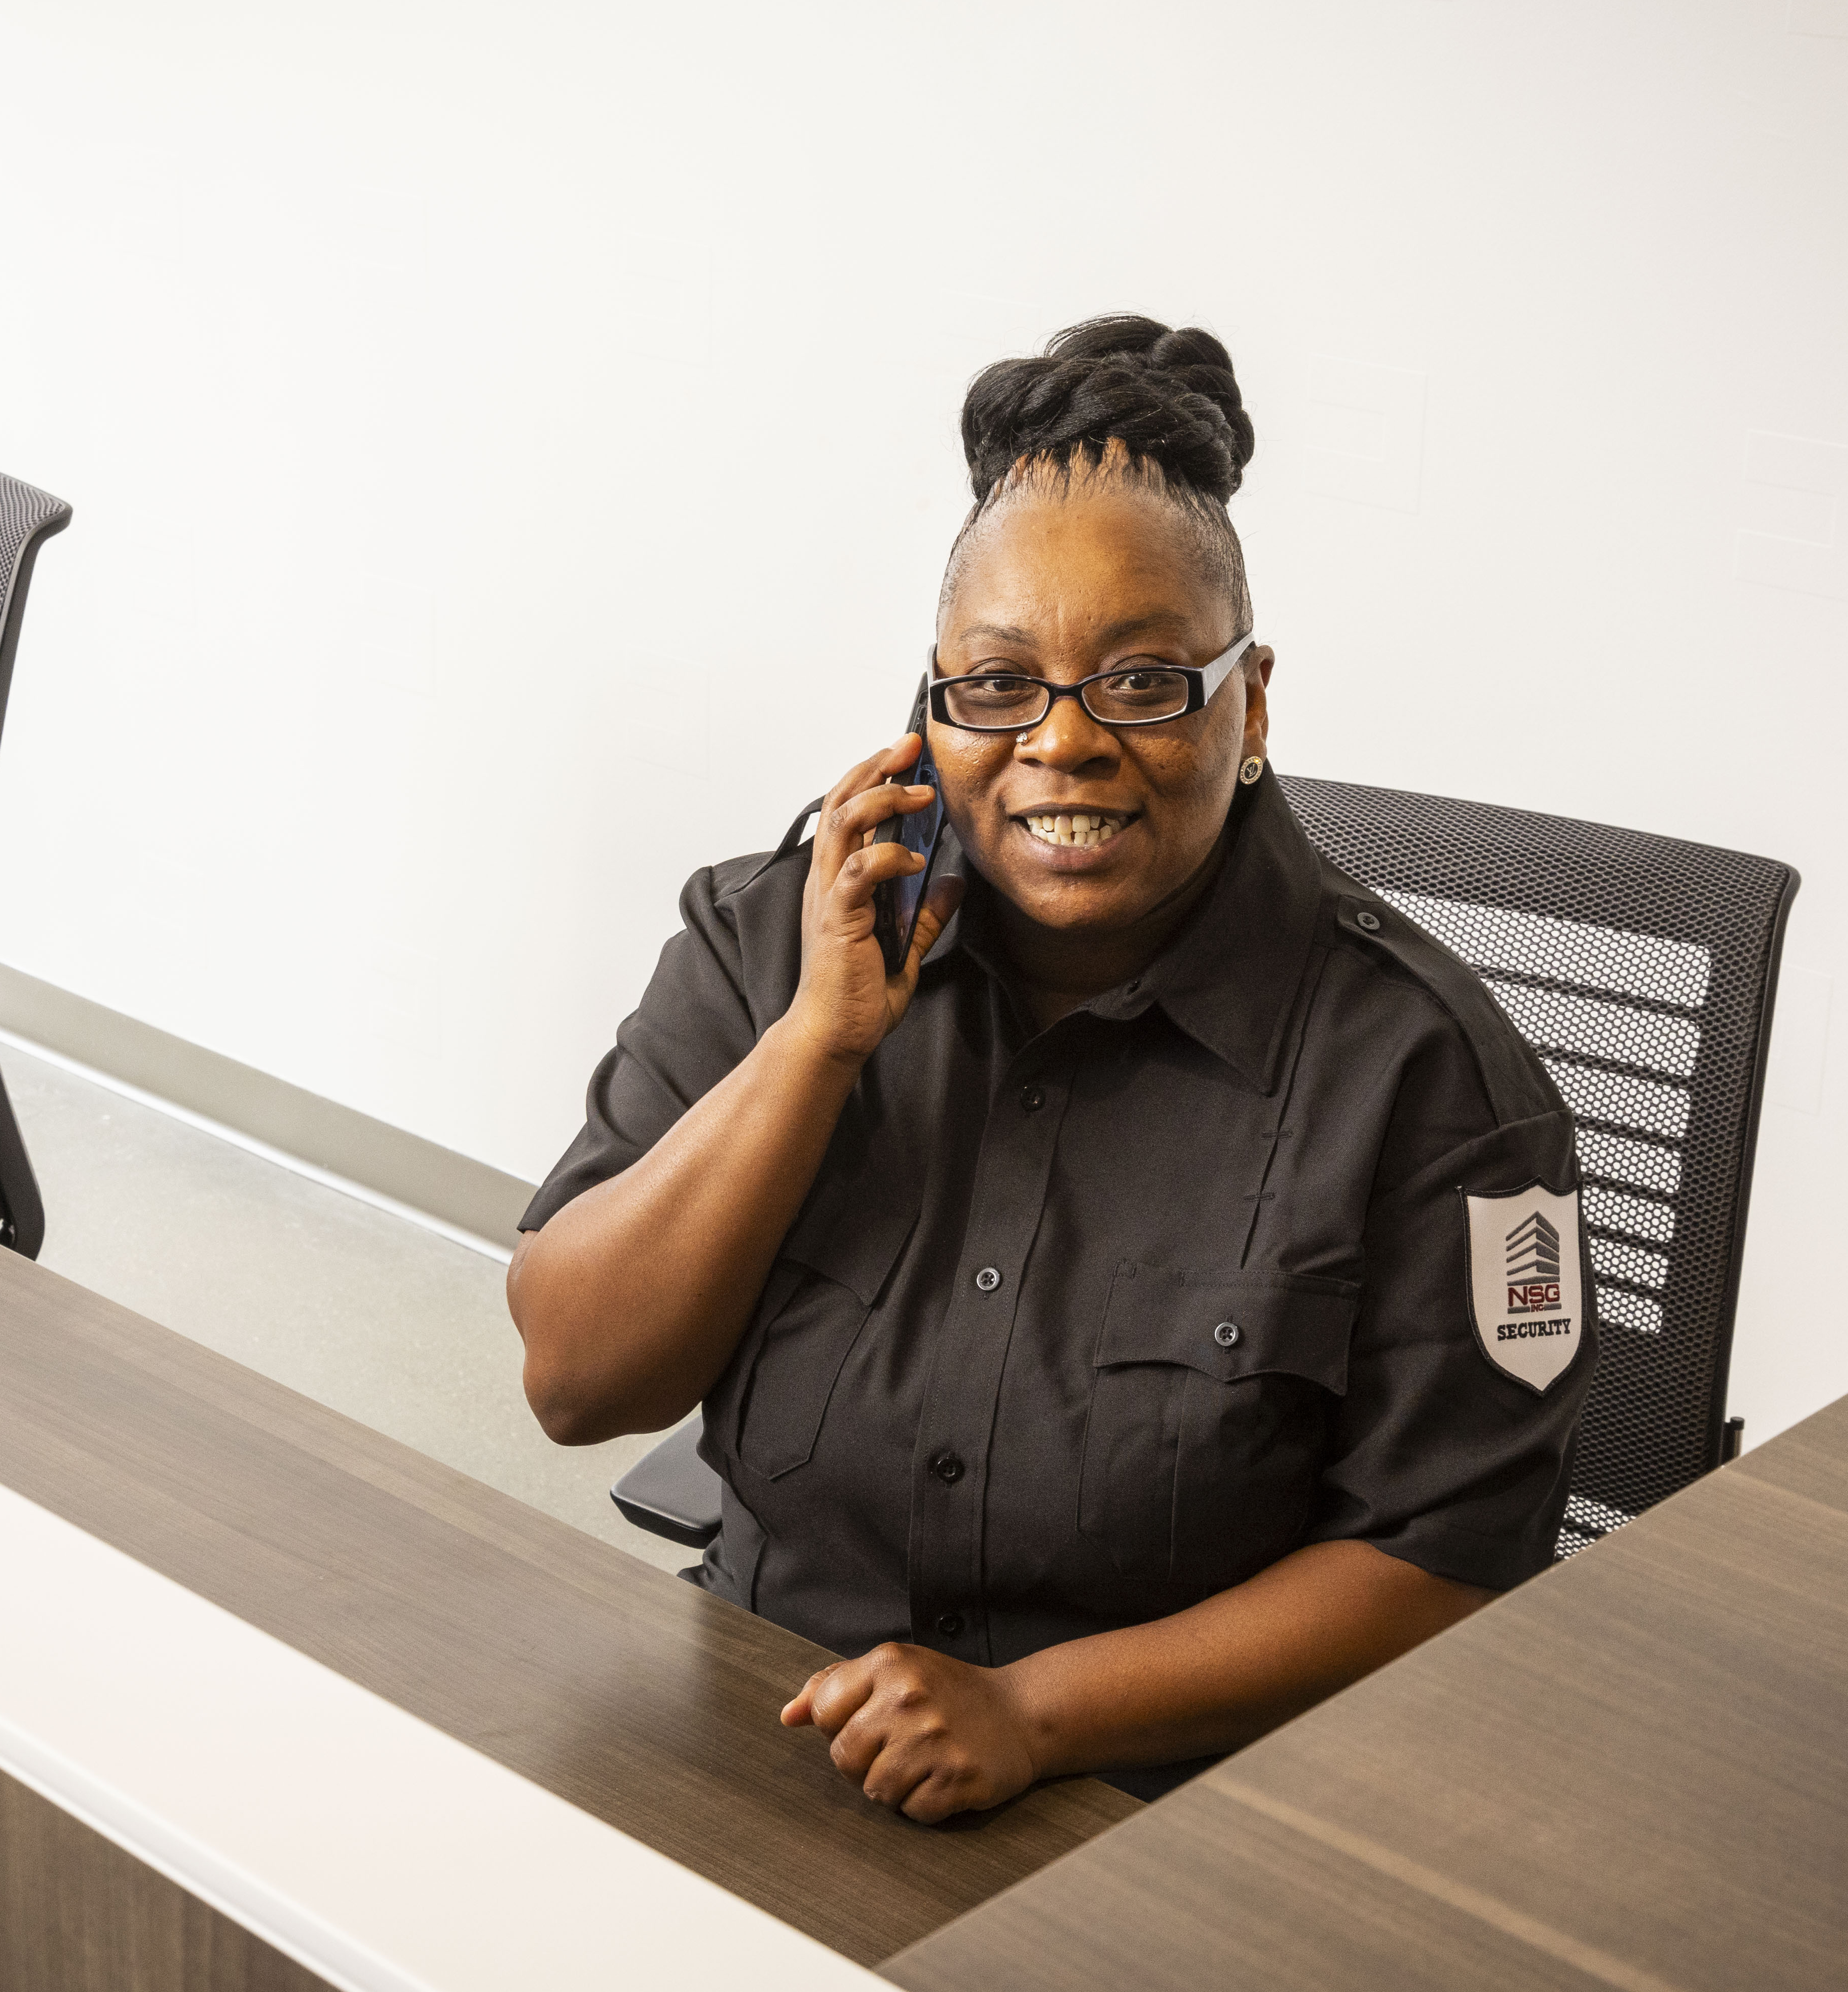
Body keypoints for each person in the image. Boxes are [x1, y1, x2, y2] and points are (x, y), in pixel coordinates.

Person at [508, 315, 1594, 1819]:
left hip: (1168, 1813)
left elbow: (1450, 1563)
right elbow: (575, 1382)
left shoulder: (1432, 1080)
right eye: (999, 683)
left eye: (1143, 682)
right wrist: (814, 1046)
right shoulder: (773, 942)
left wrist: (1034, 1712)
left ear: (1251, 703)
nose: (1062, 744)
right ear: (930, 711)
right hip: (771, 1725)